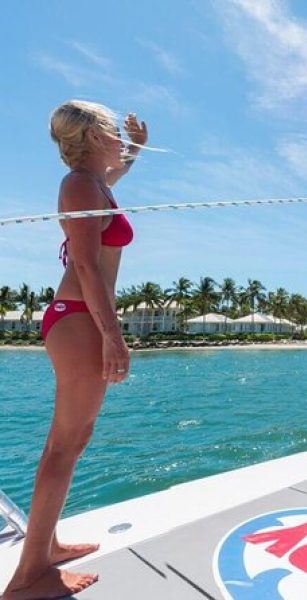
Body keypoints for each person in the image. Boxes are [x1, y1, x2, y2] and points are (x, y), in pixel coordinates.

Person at [2, 101, 146, 600]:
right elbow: (86, 266)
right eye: (112, 131)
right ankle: (27, 576)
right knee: (65, 445)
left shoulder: (96, 183)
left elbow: (119, 169)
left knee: (70, 443)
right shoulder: (80, 186)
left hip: (81, 317)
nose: (118, 140)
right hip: (81, 318)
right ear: (93, 135)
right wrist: (114, 335)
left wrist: (137, 149)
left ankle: (48, 546)